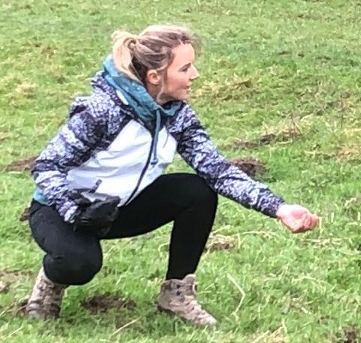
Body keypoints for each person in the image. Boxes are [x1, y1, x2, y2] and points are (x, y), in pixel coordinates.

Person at [24, 25, 320, 326]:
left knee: (197, 191)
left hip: (120, 209)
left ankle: (176, 294)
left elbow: (218, 171)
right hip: (59, 211)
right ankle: (50, 283)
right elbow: (46, 166)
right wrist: (75, 211)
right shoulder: (102, 111)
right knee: (80, 264)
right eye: (186, 68)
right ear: (155, 77)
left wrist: (279, 208)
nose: (195, 76)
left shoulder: (178, 115)